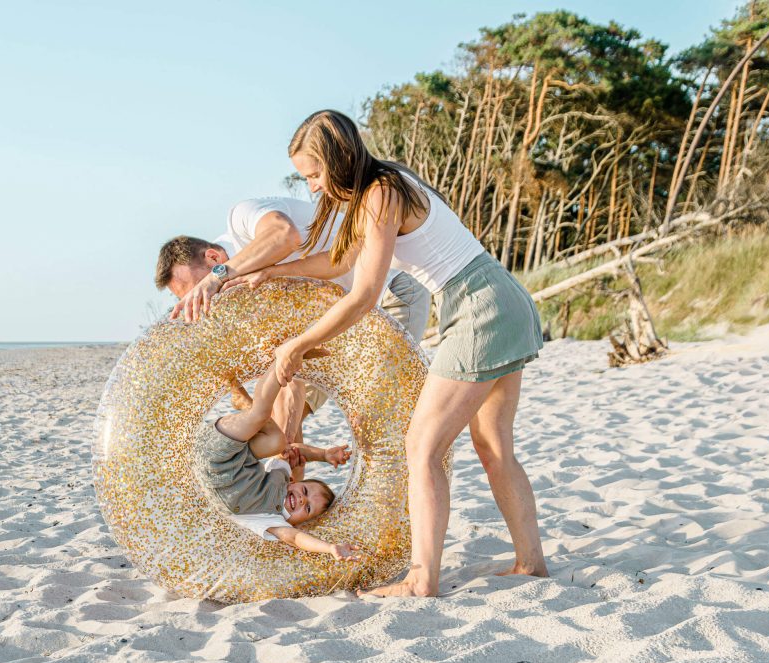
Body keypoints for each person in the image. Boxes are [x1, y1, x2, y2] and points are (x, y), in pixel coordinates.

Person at [226, 110, 547, 596]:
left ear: (338, 159)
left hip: (479, 308)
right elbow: (341, 262)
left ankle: (421, 577)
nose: (311, 188)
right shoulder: (381, 189)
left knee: (422, 447)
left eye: (315, 174)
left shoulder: (381, 192)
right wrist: (271, 273)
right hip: (498, 298)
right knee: (493, 446)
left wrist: (300, 342)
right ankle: (531, 564)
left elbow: (364, 295)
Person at [154, 197, 431, 477]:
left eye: (200, 290)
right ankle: (291, 500)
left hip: (388, 300)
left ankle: (397, 507)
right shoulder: (246, 301)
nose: (207, 299)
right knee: (282, 413)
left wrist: (215, 278)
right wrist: (285, 445)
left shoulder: (242, 220)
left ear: (214, 258)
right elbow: (289, 375)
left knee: (372, 423)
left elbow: (285, 235)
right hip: (338, 329)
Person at [195, 354, 360, 561]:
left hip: (213, 460)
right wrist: (324, 455)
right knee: (279, 443)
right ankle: (281, 364)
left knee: (264, 421)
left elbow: (295, 538)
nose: (301, 498)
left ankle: (272, 375)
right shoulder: (282, 477)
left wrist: (329, 548)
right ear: (295, 482)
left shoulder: (272, 520)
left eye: (307, 507)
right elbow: (296, 451)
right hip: (228, 448)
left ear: (299, 522)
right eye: (305, 490)